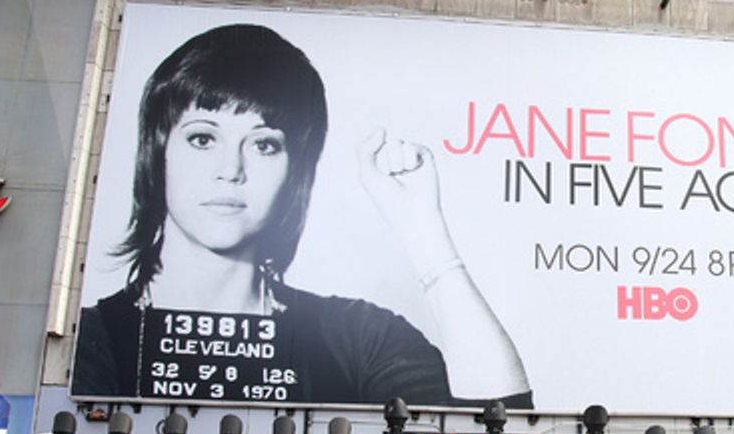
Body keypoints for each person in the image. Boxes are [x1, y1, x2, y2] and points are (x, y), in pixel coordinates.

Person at [72, 23, 532, 408]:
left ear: (296, 170)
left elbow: (498, 431)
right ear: (158, 152)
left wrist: (424, 234)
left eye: (263, 144)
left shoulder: (357, 336)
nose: (230, 170)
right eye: (203, 139)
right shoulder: (94, 340)